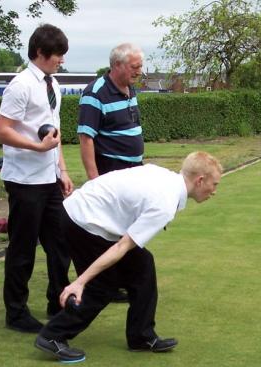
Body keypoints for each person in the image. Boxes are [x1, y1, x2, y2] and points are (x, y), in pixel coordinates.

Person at [34, 151, 223, 363]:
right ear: (200, 180)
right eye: (214, 184)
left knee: (143, 264)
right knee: (103, 286)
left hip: (84, 212)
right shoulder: (164, 203)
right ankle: (52, 336)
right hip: (82, 220)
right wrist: (80, 282)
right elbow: (122, 247)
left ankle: (141, 337)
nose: (214, 191)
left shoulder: (164, 176)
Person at [0, 24, 73, 333]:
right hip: (24, 180)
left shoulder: (54, 86)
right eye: (58, 55)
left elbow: (55, 132)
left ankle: (58, 300)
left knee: (61, 241)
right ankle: (15, 313)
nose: (61, 61)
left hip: (49, 177)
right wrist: (36, 146)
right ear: (40, 52)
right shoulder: (21, 85)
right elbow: (1, 130)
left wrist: (61, 170)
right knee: (23, 247)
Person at [77, 43, 144, 302]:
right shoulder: (95, 93)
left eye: (140, 66)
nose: (139, 71)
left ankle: (119, 280)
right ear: (117, 65)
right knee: (108, 229)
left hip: (131, 172)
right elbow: (86, 139)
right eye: (134, 66)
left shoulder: (130, 89)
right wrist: (95, 182)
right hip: (109, 172)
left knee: (126, 227)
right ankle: (105, 284)